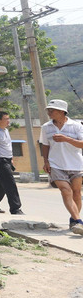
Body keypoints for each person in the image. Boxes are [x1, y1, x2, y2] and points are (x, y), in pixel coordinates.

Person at [39, 99, 83, 235]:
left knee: (76, 192)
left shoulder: (76, 126)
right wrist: (46, 161)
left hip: (76, 164)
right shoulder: (46, 127)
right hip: (56, 164)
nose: (49, 112)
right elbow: (44, 145)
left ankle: (73, 220)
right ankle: (79, 221)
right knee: (66, 191)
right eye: (48, 110)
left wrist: (67, 139)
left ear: (62, 111)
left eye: (52, 110)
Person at [0, 111, 24, 215]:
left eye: (8, 118)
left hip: (7, 160)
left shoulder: (5, 130)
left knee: (2, 184)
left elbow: (7, 145)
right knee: (10, 184)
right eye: (6, 119)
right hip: (0, 161)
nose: (8, 121)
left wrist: (11, 158)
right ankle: (15, 208)